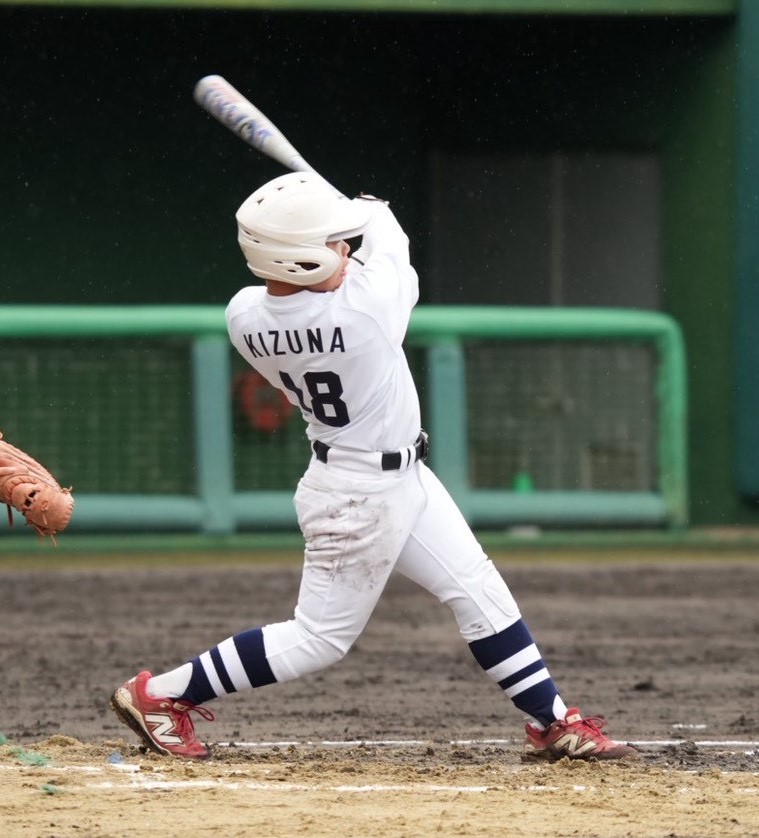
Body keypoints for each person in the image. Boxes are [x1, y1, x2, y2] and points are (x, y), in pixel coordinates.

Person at [109, 172, 638, 763]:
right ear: (299, 258)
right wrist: (371, 206)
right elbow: (389, 241)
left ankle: (553, 722)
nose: (344, 248)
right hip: (357, 495)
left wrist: (333, 221)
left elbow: (337, 275)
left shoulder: (244, 315)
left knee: (477, 590)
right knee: (318, 638)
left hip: (397, 477)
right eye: (332, 242)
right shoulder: (365, 310)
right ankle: (160, 695)